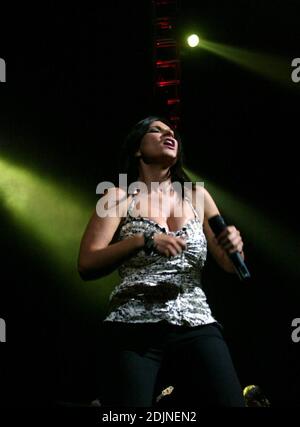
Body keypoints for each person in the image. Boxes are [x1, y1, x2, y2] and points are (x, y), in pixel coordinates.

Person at [78, 116, 246, 407]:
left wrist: (234, 248)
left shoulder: (198, 196)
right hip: (134, 323)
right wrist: (143, 241)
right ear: (137, 150)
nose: (168, 134)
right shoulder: (117, 196)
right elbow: (87, 263)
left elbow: (229, 264)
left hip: (196, 320)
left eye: (172, 132)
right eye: (155, 130)